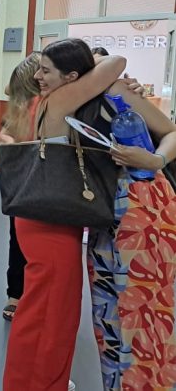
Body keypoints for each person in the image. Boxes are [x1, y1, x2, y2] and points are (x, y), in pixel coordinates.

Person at [2, 39, 126, 391]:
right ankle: (42, 382)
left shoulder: (36, 105)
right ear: (73, 77)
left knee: (41, 308)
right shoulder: (58, 100)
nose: (38, 77)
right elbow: (117, 62)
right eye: (40, 69)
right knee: (54, 313)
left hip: (41, 219)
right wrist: (94, 65)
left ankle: (29, 381)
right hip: (52, 226)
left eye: (45, 70)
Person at [86, 82, 176, 389]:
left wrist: (156, 160)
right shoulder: (68, 98)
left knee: (149, 311)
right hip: (102, 219)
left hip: (144, 208)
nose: (40, 75)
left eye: (46, 69)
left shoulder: (115, 89)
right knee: (109, 319)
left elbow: (171, 132)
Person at [0, 52, 41, 321]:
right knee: (18, 238)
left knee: (31, 243)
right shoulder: (22, 105)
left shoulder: (56, 102)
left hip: (43, 180)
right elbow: (8, 90)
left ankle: (25, 295)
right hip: (22, 181)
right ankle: (15, 293)